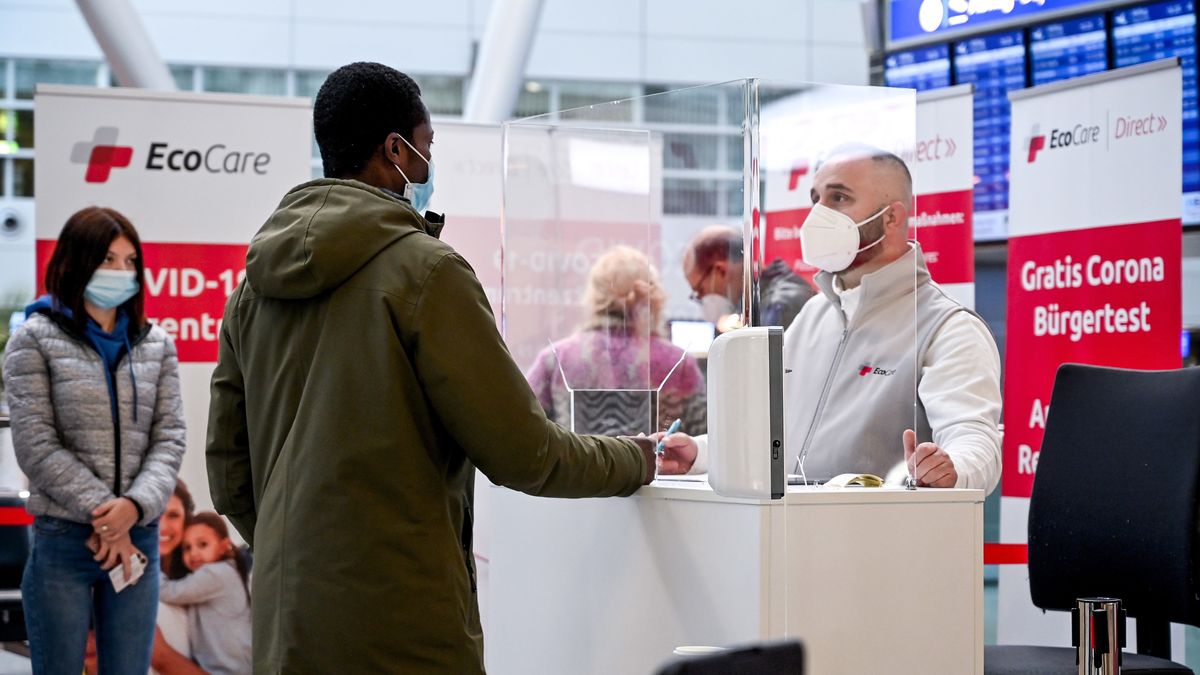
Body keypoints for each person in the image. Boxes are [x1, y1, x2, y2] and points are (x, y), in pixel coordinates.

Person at [205, 61, 656, 674]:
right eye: (427, 147)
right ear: (396, 150)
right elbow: (526, 454)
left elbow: (229, 473)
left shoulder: (251, 289)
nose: (428, 164)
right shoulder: (428, 273)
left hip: (289, 622)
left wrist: (304, 554)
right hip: (403, 622)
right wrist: (643, 457)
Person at [660, 145, 1002, 491]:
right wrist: (701, 453)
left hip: (885, 538)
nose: (818, 214)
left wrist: (953, 468)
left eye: (839, 198)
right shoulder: (813, 314)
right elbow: (768, 429)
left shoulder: (946, 326)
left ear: (892, 218)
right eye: (816, 198)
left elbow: (976, 441)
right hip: (789, 534)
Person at [2, 206, 187, 673]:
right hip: (63, 542)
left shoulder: (156, 344)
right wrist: (108, 515)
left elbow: (170, 437)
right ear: (76, 261)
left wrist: (133, 509)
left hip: (137, 538)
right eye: (108, 259)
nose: (121, 272)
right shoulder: (33, 339)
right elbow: (36, 445)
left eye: (130, 262)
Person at [525, 245, 707, 437]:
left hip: (579, 467)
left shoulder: (556, 358)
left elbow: (523, 427)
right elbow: (706, 438)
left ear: (594, 295)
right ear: (653, 296)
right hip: (654, 467)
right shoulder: (679, 363)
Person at [159, 512, 252, 675]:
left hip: (231, 669)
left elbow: (169, 592)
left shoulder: (216, 574)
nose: (193, 553)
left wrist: (148, 565)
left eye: (202, 544)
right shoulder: (224, 573)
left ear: (224, 546)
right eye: (187, 547)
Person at [684, 225, 816, 332]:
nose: (701, 298)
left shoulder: (778, 309)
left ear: (721, 271)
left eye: (700, 290)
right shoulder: (755, 307)